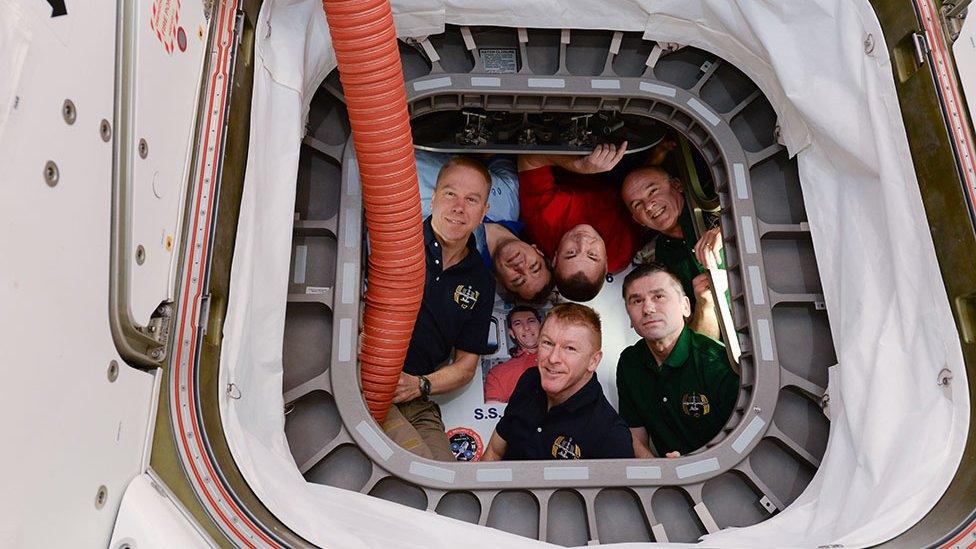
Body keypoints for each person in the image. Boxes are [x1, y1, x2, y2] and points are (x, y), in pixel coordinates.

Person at [382, 156, 496, 461]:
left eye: (472, 199)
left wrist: (420, 385)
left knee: (447, 480)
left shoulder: (481, 280)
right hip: (368, 380)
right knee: (418, 467)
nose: (459, 207)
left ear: (484, 212)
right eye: (450, 193)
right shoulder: (394, 239)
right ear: (432, 198)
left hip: (417, 395)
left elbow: (466, 367)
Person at [615, 263, 739, 458]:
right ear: (629, 317)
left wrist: (688, 468)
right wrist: (658, 473)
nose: (648, 308)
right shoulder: (629, 363)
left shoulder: (718, 364)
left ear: (686, 306)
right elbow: (635, 435)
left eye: (659, 296)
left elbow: (741, 440)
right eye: (636, 301)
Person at [481, 303, 634, 460]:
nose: (553, 358)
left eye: (569, 348)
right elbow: (494, 452)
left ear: (593, 361)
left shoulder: (611, 434)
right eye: (548, 343)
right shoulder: (529, 381)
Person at [417, 151, 554, 301]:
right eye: (534, 267)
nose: (521, 267)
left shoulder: (456, 256)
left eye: (518, 280)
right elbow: (492, 147)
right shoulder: (513, 198)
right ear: (537, 251)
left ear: (501, 282)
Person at [517, 143, 644, 302]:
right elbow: (645, 207)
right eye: (592, 254)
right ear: (606, 264)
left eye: (571, 253)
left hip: (568, 157)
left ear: (555, 258)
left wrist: (579, 165)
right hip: (623, 177)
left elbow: (528, 156)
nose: (583, 242)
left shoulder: (541, 222)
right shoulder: (622, 252)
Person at [621, 165, 725, 339]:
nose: (648, 206)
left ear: (677, 185)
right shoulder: (662, 260)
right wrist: (704, 304)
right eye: (638, 204)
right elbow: (698, 342)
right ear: (637, 220)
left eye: (653, 191)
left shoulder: (715, 201)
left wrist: (728, 229)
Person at [484, 306, 542, 403]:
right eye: (518, 323)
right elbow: (492, 408)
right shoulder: (498, 373)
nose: (526, 327)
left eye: (531, 321)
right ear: (512, 333)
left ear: (541, 326)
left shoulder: (562, 359)